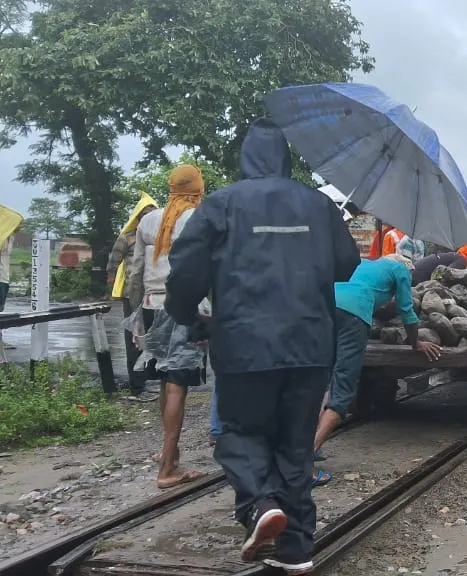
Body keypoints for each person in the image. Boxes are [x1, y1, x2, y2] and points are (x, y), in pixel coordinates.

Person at [166, 118, 361, 574]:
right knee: (295, 446)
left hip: (244, 343)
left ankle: (258, 506)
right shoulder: (318, 206)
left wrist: (186, 315)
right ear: (285, 158)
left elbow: (186, 272)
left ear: (246, 157)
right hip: (312, 343)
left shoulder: (221, 204)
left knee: (239, 432)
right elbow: (347, 265)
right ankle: (296, 548)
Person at [312, 254, 441, 483]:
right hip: (354, 313)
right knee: (342, 390)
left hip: (325, 305)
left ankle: (304, 444)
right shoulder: (400, 270)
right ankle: (304, 459)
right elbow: (406, 310)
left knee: (323, 380)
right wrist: (416, 342)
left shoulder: (364, 263)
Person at [127, 164, 210, 489]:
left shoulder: (148, 220)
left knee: (164, 380)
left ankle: (171, 458)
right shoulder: (197, 219)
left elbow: (135, 271)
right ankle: (166, 469)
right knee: (178, 383)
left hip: (150, 306)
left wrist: (136, 310)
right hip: (185, 308)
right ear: (198, 188)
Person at [108, 196, 159, 400]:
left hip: (154, 295)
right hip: (134, 296)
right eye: (145, 215)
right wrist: (110, 291)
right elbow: (112, 265)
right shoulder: (127, 238)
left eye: (152, 214)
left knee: (153, 338)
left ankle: (146, 382)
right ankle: (136, 388)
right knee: (134, 340)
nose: (149, 218)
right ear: (138, 218)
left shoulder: (157, 238)